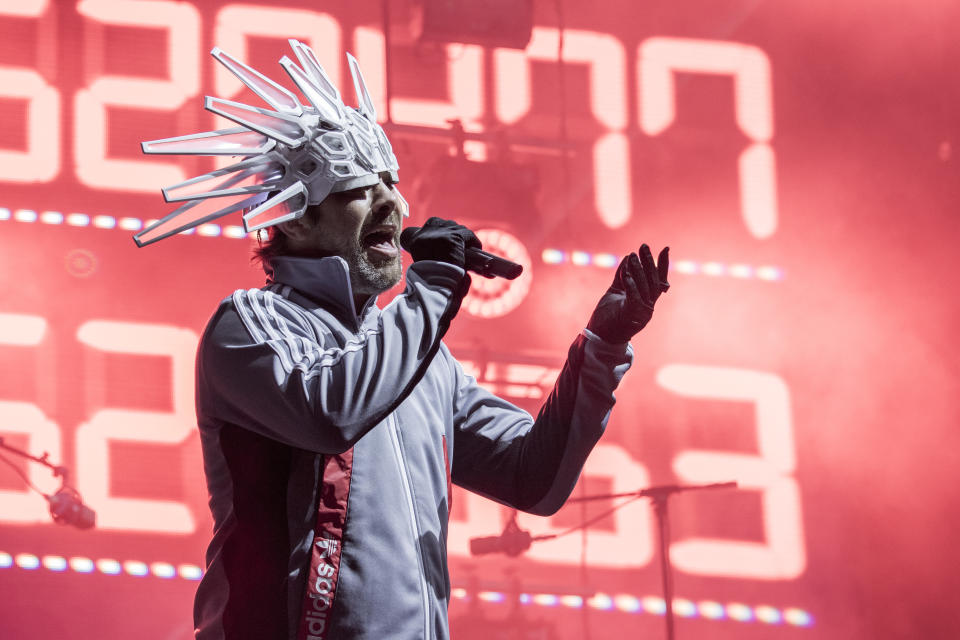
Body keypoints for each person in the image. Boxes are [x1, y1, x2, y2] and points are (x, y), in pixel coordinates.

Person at [135, 41, 669, 640]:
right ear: (297, 218)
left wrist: (600, 348)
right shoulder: (249, 327)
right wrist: (434, 286)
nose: (396, 201)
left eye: (392, 181)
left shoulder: (420, 356)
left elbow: (533, 480)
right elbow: (331, 413)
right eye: (362, 189)